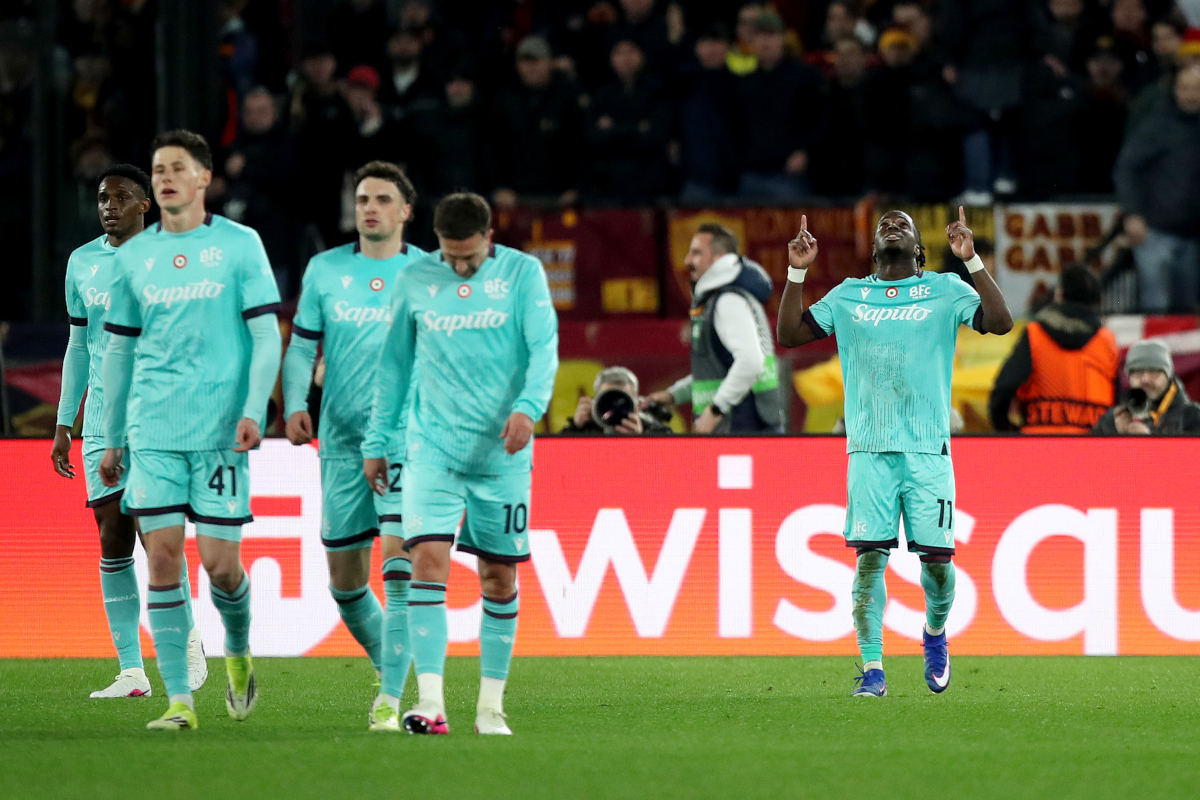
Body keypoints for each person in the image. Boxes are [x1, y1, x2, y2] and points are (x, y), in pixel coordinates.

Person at [776, 208, 1013, 697]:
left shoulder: (946, 288)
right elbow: (791, 335)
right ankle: (873, 668)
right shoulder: (848, 294)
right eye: (886, 223)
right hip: (868, 451)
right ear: (874, 248)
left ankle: (934, 634)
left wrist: (972, 261)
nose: (893, 225)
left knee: (938, 567)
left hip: (929, 451)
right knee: (869, 562)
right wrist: (797, 272)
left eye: (903, 223)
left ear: (919, 249)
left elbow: (1001, 322)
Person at [99, 130, 283, 730]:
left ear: (205, 177)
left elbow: (263, 336)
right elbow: (120, 353)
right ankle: (180, 700)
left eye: (178, 167)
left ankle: (238, 650)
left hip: (220, 434)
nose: (166, 177)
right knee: (164, 559)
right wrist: (113, 436)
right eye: (158, 169)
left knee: (221, 566)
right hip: (153, 433)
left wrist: (254, 407)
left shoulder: (239, 246)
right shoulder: (132, 259)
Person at [362, 192, 558, 735]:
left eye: (469, 258)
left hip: (502, 454)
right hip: (432, 451)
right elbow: (395, 366)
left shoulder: (523, 274)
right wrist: (377, 439)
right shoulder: (416, 279)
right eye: (451, 256)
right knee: (426, 561)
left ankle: (491, 707)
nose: (460, 267)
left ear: (489, 238)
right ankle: (430, 704)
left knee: (498, 577)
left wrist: (528, 408)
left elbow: (544, 349)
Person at [52, 165, 207, 699]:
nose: (109, 206)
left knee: (153, 533)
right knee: (111, 536)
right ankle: (131, 671)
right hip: (100, 425)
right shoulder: (82, 262)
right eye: (102, 198)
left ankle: (185, 637)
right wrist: (63, 422)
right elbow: (78, 346)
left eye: (121, 197)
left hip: (158, 417)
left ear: (146, 205)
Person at [282, 161, 426, 694]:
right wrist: (296, 400)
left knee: (398, 556)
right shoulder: (324, 270)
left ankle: (392, 694)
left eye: (383, 199)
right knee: (345, 584)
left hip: (407, 443)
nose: (370, 207)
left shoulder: (429, 272)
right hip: (341, 442)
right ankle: (392, 661)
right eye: (363, 198)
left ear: (406, 211)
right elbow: (301, 345)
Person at [647, 223, 785, 434]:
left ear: (719, 259)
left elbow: (750, 363)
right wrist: (673, 395)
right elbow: (720, 374)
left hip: (742, 430)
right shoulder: (731, 298)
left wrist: (714, 411)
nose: (687, 261)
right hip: (751, 428)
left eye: (697, 253)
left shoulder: (728, 301)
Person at [988, 266, 1119, 433]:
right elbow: (1119, 400)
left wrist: (1005, 429)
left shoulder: (1036, 334)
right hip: (1093, 445)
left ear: (1059, 294)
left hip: (1040, 443)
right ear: (1096, 299)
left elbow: (1004, 387)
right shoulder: (1107, 340)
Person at [1113, 65, 1200, 313]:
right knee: (1155, 307)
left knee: (1187, 312)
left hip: (1192, 235)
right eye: (1185, 88)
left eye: (1196, 89)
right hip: (1154, 231)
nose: (1191, 95)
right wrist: (1132, 214)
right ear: (1175, 91)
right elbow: (1126, 168)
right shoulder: (1157, 125)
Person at [734, 11, 827, 200]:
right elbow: (735, 126)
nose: (765, 42)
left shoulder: (806, 77)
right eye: (760, 35)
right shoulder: (744, 83)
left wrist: (805, 150)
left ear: (782, 39)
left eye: (771, 35)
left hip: (789, 176)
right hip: (751, 174)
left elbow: (821, 120)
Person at [1092, 339, 1200, 434]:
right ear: (1128, 377)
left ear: (1169, 376)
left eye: (1153, 371)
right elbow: (1091, 455)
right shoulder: (1111, 420)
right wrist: (1117, 435)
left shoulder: (1193, 417)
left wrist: (1147, 442)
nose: (1145, 380)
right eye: (1137, 372)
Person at [564, 366, 672, 434]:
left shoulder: (657, 433)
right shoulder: (585, 427)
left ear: (637, 402)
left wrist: (640, 439)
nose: (614, 407)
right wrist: (575, 427)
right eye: (608, 399)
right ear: (595, 400)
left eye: (622, 400)